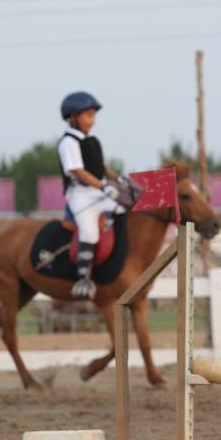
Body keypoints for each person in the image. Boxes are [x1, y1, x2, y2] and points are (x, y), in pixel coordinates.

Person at [57, 91, 124, 299]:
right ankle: (83, 278)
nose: (92, 121)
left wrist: (117, 179)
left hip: (97, 191)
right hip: (80, 195)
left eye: (93, 116)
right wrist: (104, 186)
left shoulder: (91, 140)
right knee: (89, 231)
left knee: (123, 210)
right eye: (87, 116)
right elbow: (78, 171)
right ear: (72, 118)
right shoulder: (68, 143)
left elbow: (99, 166)